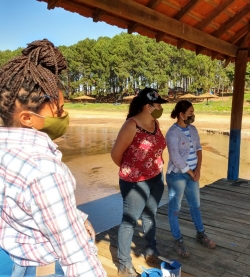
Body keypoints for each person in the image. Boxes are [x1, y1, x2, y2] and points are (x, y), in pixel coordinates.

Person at [0, 39, 107, 276]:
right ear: (28, 118)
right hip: (45, 268)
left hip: (16, 262)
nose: (64, 116)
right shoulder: (44, 169)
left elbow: (24, 204)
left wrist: (76, 217)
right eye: (58, 111)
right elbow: (76, 256)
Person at [111, 88, 168, 277]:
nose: (160, 107)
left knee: (150, 215)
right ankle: (124, 265)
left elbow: (157, 148)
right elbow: (116, 155)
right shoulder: (131, 125)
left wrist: (155, 164)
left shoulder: (155, 123)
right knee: (129, 222)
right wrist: (133, 169)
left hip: (156, 178)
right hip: (135, 182)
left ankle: (151, 250)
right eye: (158, 104)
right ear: (147, 106)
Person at [165, 100, 216, 258]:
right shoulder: (172, 133)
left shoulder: (193, 129)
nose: (193, 115)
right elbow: (175, 157)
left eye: (193, 112)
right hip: (177, 176)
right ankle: (177, 240)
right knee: (175, 209)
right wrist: (190, 172)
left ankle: (201, 234)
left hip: (193, 173)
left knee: (196, 206)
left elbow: (199, 148)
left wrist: (198, 169)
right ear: (181, 115)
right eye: (191, 113)